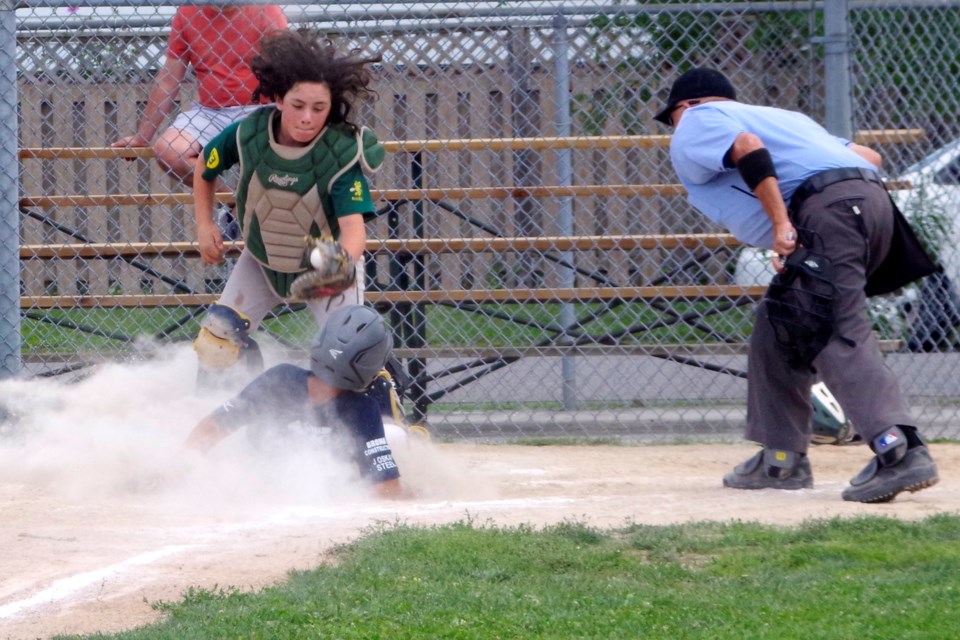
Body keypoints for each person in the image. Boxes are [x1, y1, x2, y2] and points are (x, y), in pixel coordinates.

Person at [654, 68, 940, 503]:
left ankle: (898, 448)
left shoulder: (697, 118)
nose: (674, 128)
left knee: (834, 328)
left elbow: (747, 149)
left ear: (684, 106)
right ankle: (780, 459)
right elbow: (869, 158)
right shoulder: (783, 117)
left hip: (826, 212)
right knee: (781, 321)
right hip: (869, 206)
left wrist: (782, 223)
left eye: (670, 117)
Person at [190, 29, 385, 386]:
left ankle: (387, 427)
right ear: (278, 98)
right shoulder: (249, 135)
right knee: (216, 341)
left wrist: (336, 269)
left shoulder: (338, 154)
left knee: (348, 357)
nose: (308, 117)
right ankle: (233, 414)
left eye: (319, 108)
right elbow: (206, 166)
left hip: (325, 262)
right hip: (262, 258)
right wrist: (205, 225)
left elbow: (355, 233)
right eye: (298, 106)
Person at [185, 304, 413, 499]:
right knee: (395, 436)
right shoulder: (363, 408)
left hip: (264, 485)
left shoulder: (280, 378)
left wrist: (182, 468)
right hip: (324, 488)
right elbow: (387, 492)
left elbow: (211, 428)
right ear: (366, 369)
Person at [112, 5, 288, 186]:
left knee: (278, 155)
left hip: (261, 109)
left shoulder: (266, 9)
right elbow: (168, 80)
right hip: (210, 113)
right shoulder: (188, 11)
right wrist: (142, 137)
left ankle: (254, 206)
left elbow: (286, 69)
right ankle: (233, 205)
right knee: (168, 151)